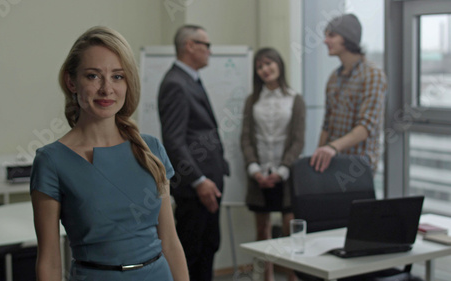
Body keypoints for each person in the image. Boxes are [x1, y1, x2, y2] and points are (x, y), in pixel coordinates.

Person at [30, 26, 189, 281]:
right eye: (93, 76)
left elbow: (170, 242)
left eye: (117, 77)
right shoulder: (51, 161)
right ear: (71, 81)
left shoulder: (151, 149)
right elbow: (49, 262)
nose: (106, 89)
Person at [157, 25, 229, 281]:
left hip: (208, 186)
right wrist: (199, 181)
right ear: (189, 45)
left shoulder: (190, 80)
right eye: (206, 45)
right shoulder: (176, 84)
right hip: (196, 189)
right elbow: (174, 143)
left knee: (207, 249)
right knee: (192, 254)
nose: (210, 51)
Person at [240, 47, 305, 281]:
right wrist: (254, 169)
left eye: (269, 64)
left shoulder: (295, 99)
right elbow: (246, 138)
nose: (265, 69)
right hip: (259, 175)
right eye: (259, 66)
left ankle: (292, 277)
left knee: (288, 230)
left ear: (279, 64)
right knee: (262, 231)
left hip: (286, 175)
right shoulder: (253, 101)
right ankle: (266, 278)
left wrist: (283, 169)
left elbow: (298, 140)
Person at [310, 14, 387, 173]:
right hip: (330, 164)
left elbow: (366, 127)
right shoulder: (333, 78)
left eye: (331, 35)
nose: (325, 41)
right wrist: (318, 156)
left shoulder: (372, 75)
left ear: (347, 38)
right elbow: (327, 125)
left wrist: (332, 147)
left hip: (357, 168)